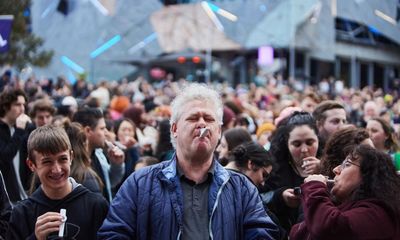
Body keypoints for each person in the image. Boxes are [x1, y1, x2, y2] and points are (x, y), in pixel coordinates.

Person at [98, 83, 278, 239]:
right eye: (193, 118)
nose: (202, 124)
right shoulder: (139, 184)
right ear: (175, 129)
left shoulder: (242, 189)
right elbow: (113, 233)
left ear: (219, 131)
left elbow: (262, 233)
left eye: (208, 119)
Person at [6, 125, 108, 239]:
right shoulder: (22, 213)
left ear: (71, 157)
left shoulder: (96, 206)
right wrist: (36, 237)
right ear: (31, 165)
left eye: (62, 159)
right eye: (47, 162)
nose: (57, 169)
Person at [290, 145, 400, 240]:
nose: (335, 170)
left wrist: (315, 188)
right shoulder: (349, 206)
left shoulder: (378, 213)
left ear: (369, 174)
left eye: (347, 164)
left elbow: (327, 229)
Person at [264, 111, 322, 232]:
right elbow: (259, 198)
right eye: (297, 144)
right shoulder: (273, 167)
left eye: (310, 142)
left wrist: (324, 169)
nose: (304, 150)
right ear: (287, 144)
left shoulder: (332, 163)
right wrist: (280, 196)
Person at [73, 107, 125, 202]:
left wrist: (116, 165)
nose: (106, 133)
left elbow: (108, 183)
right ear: (88, 131)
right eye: (102, 128)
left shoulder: (98, 154)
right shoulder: (72, 161)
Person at [0, 89, 31, 203]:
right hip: (7, 198)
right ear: (5, 106)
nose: (22, 109)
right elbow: (5, 158)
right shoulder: (13, 129)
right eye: (17, 104)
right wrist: (19, 131)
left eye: (24, 104)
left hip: (24, 195)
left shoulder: (22, 127)